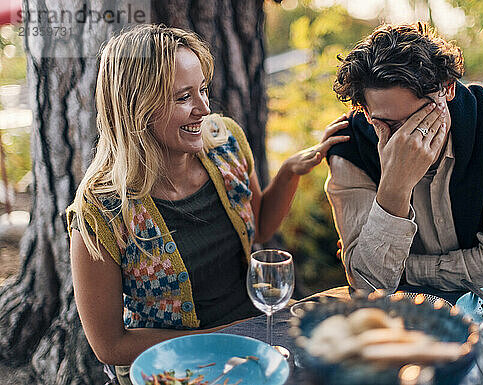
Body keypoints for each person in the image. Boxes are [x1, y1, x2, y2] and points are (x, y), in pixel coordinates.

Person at [67, 24, 348, 384]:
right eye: (183, 97)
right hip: (175, 365)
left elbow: (260, 227)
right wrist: (223, 339)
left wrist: (290, 173)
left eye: (202, 90)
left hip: (257, 340)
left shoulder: (225, 141)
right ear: (136, 108)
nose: (203, 108)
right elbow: (109, 345)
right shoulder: (101, 211)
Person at [325, 23, 483, 301]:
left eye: (419, 117)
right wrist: (395, 187)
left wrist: (402, 269)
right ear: (365, 112)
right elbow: (368, 285)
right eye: (388, 124)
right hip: (402, 317)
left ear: (447, 89)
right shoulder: (349, 146)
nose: (407, 139)